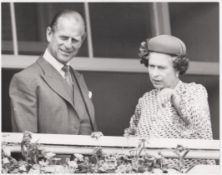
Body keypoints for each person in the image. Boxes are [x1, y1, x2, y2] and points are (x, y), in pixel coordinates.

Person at [124, 35, 215, 168]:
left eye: (161, 68)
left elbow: (201, 127)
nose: (154, 73)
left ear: (177, 68)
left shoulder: (194, 91)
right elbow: (131, 134)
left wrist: (175, 98)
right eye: (151, 66)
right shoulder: (146, 100)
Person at [9, 9, 97, 135]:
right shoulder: (26, 79)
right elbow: (27, 146)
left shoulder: (78, 78)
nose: (68, 45)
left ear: (82, 41)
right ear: (49, 34)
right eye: (64, 37)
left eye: (75, 40)